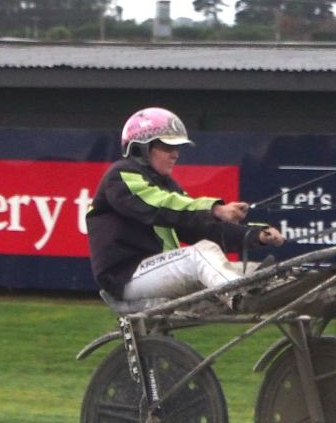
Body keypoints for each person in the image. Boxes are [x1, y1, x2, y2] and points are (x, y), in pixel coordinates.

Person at [87, 107, 285, 307]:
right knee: (202, 254)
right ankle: (237, 294)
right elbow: (159, 205)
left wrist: (254, 235)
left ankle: (287, 295)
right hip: (126, 277)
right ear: (141, 148)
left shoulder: (167, 184)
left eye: (177, 148)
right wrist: (215, 208)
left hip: (155, 271)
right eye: (168, 147)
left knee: (253, 272)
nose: (175, 154)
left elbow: (200, 227)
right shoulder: (120, 175)